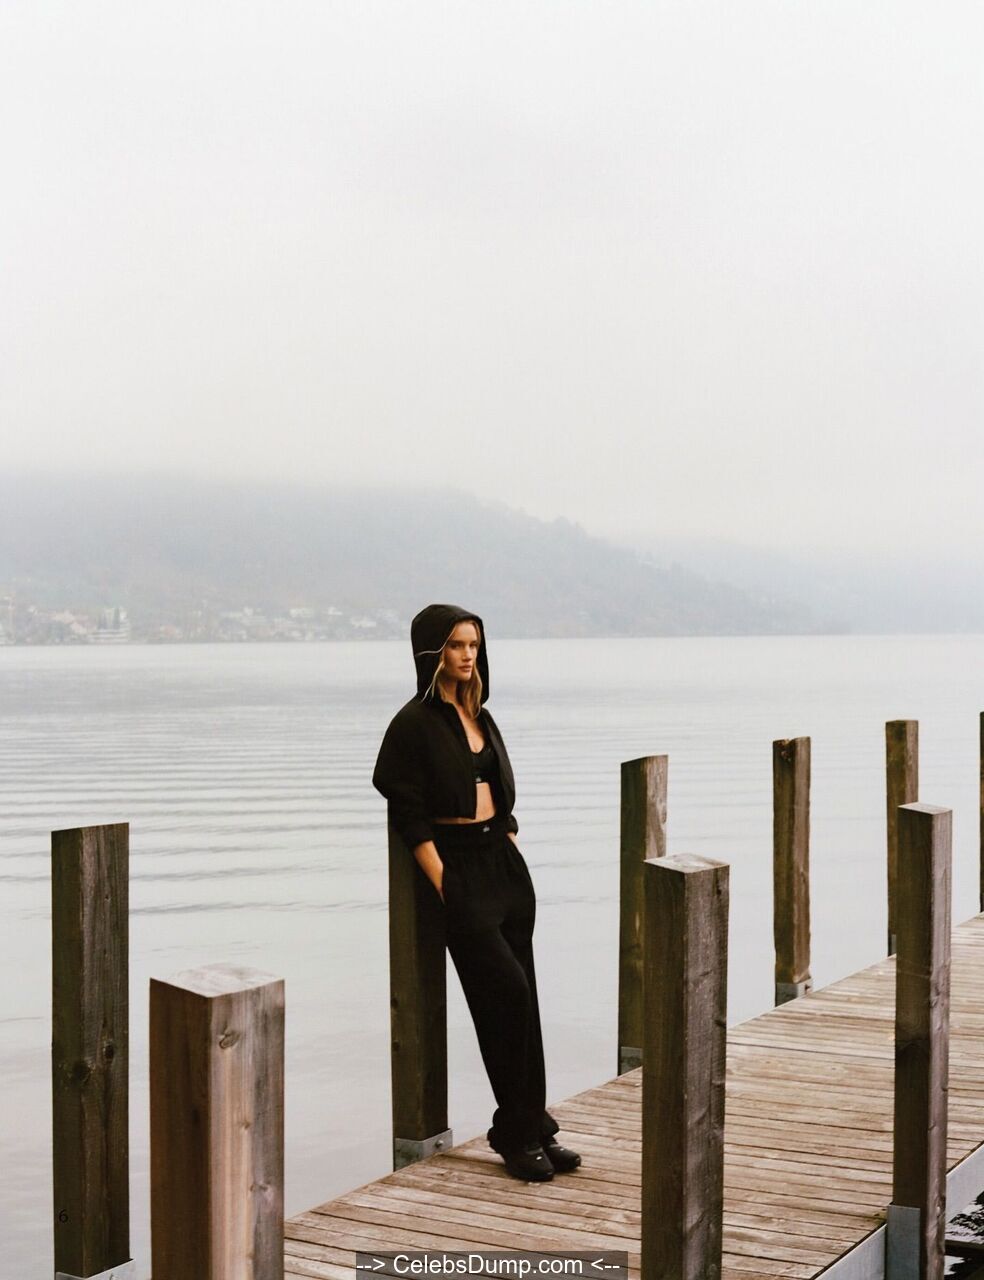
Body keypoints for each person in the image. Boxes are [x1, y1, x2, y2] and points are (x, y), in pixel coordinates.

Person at [372, 602, 581, 1182]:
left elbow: (498, 792)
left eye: (474, 645)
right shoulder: (412, 724)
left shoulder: (479, 714)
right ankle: (514, 1135)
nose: (468, 656)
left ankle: (535, 1126)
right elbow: (408, 815)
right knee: (504, 999)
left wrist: (509, 840)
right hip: (460, 872)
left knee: (525, 1000)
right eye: (458, 645)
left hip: (504, 870)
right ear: (433, 652)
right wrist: (445, 883)